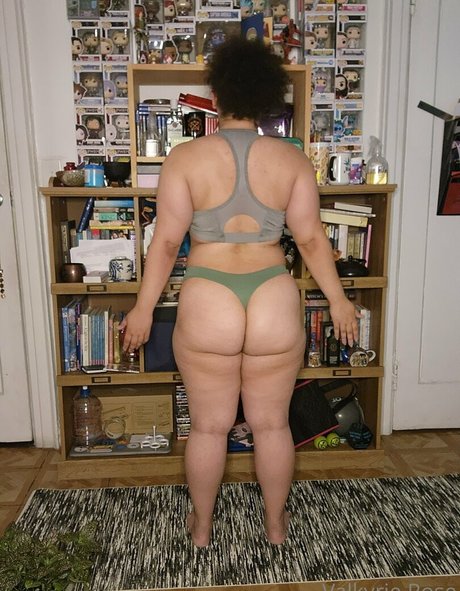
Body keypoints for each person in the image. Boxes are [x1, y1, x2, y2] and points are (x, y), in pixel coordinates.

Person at [120, 37, 359, 547]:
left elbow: (166, 242)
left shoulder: (185, 157)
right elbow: (311, 239)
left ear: (217, 95)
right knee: (272, 425)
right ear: (267, 97)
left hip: (209, 296)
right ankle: (275, 527)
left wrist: (142, 309)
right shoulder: (291, 160)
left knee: (209, 427)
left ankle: (203, 530)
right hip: (272, 295)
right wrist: (339, 301)